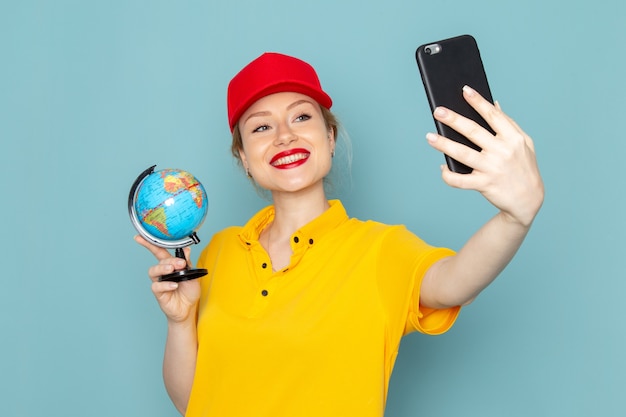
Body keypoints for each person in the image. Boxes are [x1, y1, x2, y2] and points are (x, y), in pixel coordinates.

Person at [135, 52, 544, 416]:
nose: (284, 135)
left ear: (329, 138)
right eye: (261, 128)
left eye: (301, 117)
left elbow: (455, 283)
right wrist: (181, 321)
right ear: (243, 157)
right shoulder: (219, 251)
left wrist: (514, 218)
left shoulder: (380, 249)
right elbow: (192, 401)